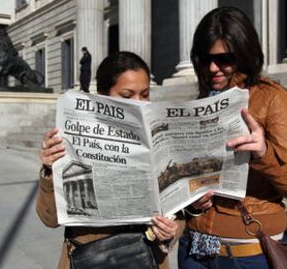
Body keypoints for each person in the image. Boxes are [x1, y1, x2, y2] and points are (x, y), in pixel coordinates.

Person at [178, 6, 287, 269]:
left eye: (224, 59)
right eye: (204, 60)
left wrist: (264, 154)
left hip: (247, 253)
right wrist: (191, 202)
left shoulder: (273, 98)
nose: (212, 68)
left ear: (244, 54)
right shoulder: (202, 101)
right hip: (195, 248)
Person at [37, 51, 185, 269]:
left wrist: (171, 230)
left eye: (145, 94)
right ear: (102, 95)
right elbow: (49, 219)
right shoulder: (73, 140)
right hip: (89, 259)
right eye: (126, 96)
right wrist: (50, 171)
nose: (139, 103)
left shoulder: (161, 139)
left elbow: (178, 214)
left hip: (147, 259)